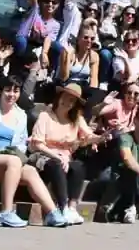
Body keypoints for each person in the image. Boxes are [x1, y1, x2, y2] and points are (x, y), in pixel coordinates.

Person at [0, 77, 64, 228]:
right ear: (1, 91)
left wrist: (20, 150)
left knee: (29, 170)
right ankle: (5, 213)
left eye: (16, 91)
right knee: (13, 161)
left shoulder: (21, 115)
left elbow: (20, 145)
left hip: (8, 161)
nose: (11, 94)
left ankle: (52, 213)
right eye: (8, 90)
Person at [30, 82, 105, 225]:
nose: (67, 102)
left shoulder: (77, 119)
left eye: (72, 100)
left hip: (66, 158)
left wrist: (101, 137)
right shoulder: (45, 116)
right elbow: (38, 143)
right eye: (65, 97)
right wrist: (56, 156)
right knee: (57, 164)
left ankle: (72, 208)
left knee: (78, 166)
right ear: (59, 97)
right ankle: (62, 207)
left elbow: (89, 136)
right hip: (44, 155)